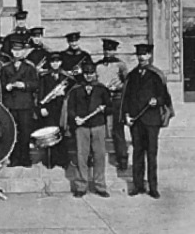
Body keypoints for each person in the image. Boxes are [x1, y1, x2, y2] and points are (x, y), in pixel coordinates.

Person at [122, 44, 173, 199]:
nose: (141, 57)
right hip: (136, 121)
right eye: (139, 54)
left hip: (151, 121)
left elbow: (165, 97)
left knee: (151, 154)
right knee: (137, 153)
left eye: (144, 54)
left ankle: (153, 187)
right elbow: (126, 97)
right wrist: (126, 115)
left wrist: (156, 101)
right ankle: (137, 186)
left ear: (150, 55)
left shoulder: (156, 75)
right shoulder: (132, 75)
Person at [67, 62, 112, 198]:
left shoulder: (102, 89)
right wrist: (75, 118)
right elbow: (71, 108)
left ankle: (100, 185)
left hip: (98, 125)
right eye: (86, 74)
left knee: (99, 155)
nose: (89, 76)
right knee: (82, 156)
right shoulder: (76, 90)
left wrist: (105, 109)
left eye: (91, 73)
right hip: (82, 127)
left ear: (95, 74)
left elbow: (110, 107)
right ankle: (81, 186)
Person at [0, 40, 38, 167]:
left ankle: (25, 158)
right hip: (10, 104)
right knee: (12, 132)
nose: (17, 53)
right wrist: (7, 87)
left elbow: (36, 84)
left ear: (23, 52)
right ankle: (14, 158)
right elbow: (1, 85)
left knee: (25, 132)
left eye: (19, 51)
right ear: (11, 51)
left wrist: (24, 85)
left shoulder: (29, 68)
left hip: (25, 104)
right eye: (15, 50)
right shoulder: (5, 68)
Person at [95, 38, 129, 171]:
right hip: (101, 100)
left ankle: (122, 159)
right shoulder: (98, 64)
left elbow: (127, 83)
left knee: (117, 130)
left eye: (110, 50)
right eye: (106, 50)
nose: (108, 52)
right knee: (98, 129)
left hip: (116, 100)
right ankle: (95, 158)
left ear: (115, 51)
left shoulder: (121, 65)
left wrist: (118, 87)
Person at [38, 52, 75, 169]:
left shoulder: (66, 77)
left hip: (62, 109)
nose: (55, 64)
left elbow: (73, 91)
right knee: (50, 134)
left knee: (63, 133)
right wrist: (42, 107)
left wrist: (64, 93)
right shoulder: (44, 77)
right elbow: (40, 94)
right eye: (53, 62)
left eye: (57, 61)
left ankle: (63, 160)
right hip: (49, 109)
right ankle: (50, 161)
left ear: (61, 62)